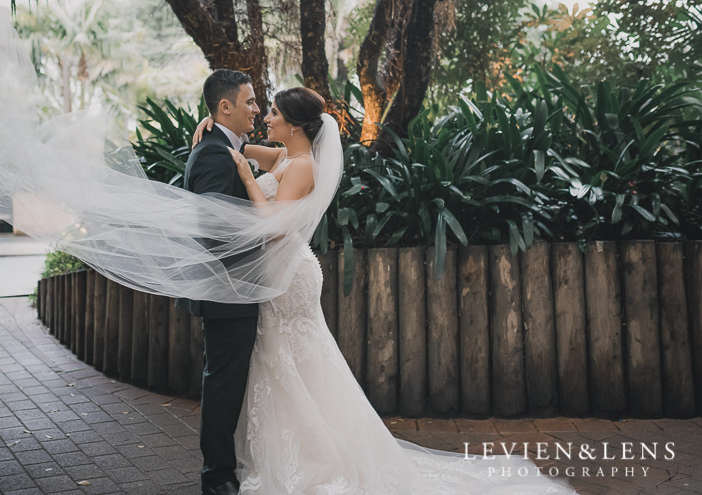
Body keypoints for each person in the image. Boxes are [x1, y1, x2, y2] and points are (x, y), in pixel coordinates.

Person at [191, 86, 579, 495]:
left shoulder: (303, 166)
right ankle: (290, 448)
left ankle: (314, 457)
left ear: (295, 124)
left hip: (288, 274)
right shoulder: (287, 155)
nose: (266, 118)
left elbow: (274, 226)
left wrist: (250, 180)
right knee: (285, 361)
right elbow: (244, 149)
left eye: (272, 113)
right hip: (279, 273)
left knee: (292, 359)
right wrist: (213, 126)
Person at [177, 69, 262, 495]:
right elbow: (214, 227)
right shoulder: (213, 153)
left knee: (227, 380)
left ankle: (226, 469)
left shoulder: (227, 145)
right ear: (224, 106)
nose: (257, 108)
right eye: (249, 101)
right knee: (223, 383)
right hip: (228, 288)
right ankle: (217, 477)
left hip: (239, 288)